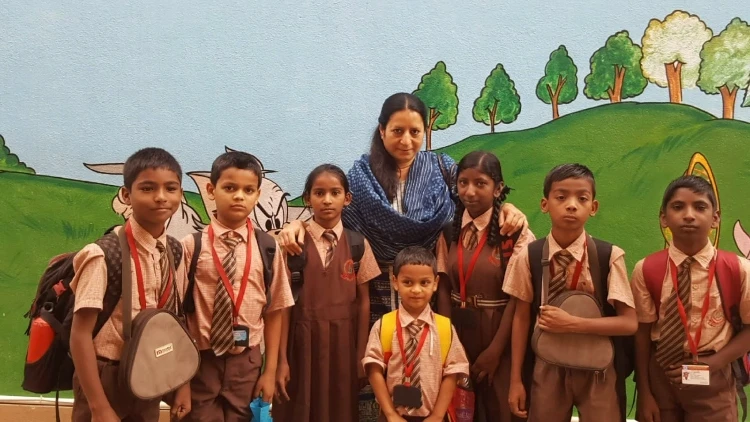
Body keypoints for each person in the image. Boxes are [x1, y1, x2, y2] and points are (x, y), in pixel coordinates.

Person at [504, 163, 637, 422]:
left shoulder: (609, 256)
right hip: (547, 367)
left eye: (582, 198)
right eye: (561, 197)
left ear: (593, 207)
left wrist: (573, 324)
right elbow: (520, 318)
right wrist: (515, 380)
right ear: (545, 204)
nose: (572, 205)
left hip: (598, 368)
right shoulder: (529, 256)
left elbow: (629, 322)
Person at [69, 147, 191, 421]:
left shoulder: (174, 251)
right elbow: (80, 335)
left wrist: (182, 384)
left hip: (149, 372)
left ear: (181, 194)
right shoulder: (103, 255)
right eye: (147, 188)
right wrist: (99, 408)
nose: (161, 197)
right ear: (126, 195)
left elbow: (176, 318)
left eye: (170, 188)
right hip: (105, 376)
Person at [180, 151, 294, 422]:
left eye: (248, 190)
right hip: (199, 361)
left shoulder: (267, 248)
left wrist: (270, 370)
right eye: (229, 188)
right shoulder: (191, 246)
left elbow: (275, 309)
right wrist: (181, 379)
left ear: (257, 194)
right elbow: (177, 314)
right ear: (211, 189)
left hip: (247, 363)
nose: (239, 196)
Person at [632, 175, 750, 422]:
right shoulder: (646, 269)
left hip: (713, 375)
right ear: (663, 217)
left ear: (715, 218)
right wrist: (644, 392)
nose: (688, 214)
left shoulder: (739, 269)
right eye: (678, 207)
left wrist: (716, 363)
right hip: (660, 374)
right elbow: (642, 333)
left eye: (699, 207)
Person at [274, 164, 381, 422]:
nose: (327, 200)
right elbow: (283, 304)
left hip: (343, 344)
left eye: (335, 192)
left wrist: (361, 353)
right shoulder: (291, 244)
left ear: (347, 198)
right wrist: (281, 360)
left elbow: (364, 301)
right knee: (299, 405)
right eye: (319, 193)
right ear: (308, 199)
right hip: (300, 342)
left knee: (340, 407)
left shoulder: (358, 244)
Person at [435, 151, 535, 421]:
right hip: (457, 330)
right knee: (459, 409)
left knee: (498, 408)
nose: (470, 191)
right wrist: (449, 345)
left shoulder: (513, 233)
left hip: (500, 332)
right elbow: (443, 287)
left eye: (480, 183)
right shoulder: (448, 232)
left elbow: (519, 297)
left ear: (498, 188)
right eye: (463, 182)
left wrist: (495, 351)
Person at [363, 246, 469, 422]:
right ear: (395, 282)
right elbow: (373, 368)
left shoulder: (444, 327)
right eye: (408, 282)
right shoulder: (384, 325)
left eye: (424, 283)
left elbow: (453, 371)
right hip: (393, 417)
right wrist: (390, 414)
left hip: (432, 416)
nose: (416, 290)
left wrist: (437, 415)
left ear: (435, 283)